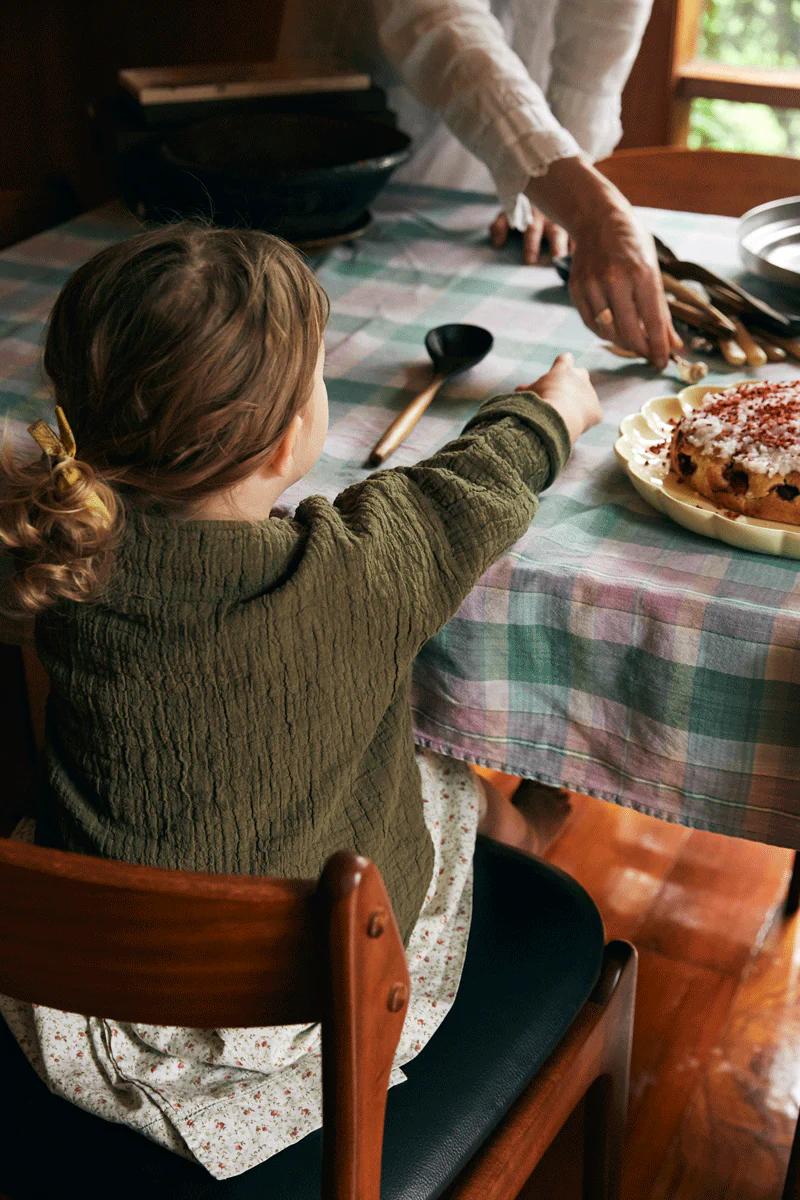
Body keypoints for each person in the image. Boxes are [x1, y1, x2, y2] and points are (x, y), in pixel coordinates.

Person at [0, 224, 600, 1179]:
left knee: (428, 780)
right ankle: (523, 840)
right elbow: (473, 485)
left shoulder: (51, 554)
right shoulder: (359, 568)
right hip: (317, 1015)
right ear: (291, 440)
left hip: (97, 995)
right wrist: (551, 407)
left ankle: (514, 826)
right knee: (448, 777)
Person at [278, 0, 681, 367]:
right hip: (357, 118)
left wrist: (567, 188)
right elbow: (437, 20)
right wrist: (588, 203)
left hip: (517, 140)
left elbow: (605, 23)